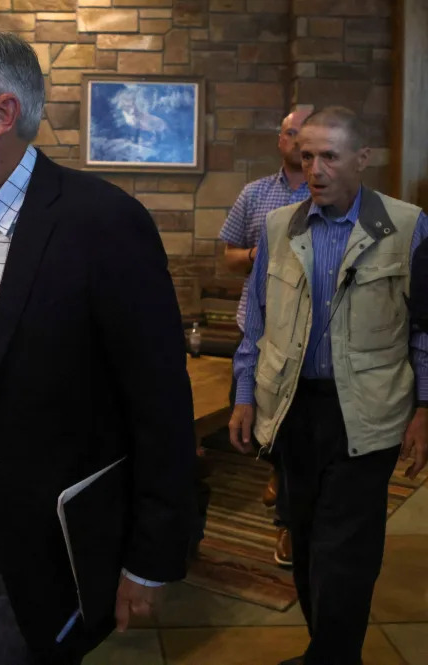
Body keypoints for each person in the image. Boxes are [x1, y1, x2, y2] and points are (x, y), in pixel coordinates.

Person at [0, 28, 197, 664]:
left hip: (60, 529)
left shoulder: (103, 223)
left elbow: (160, 405)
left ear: (1, 114)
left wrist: (151, 560)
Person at [229, 106, 428, 665]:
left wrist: (425, 408)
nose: (314, 168)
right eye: (307, 155)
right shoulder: (277, 227)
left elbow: (425, 328)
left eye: (330, 157)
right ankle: (330, 651)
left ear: (362, 160)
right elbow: (258, 321)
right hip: (293, 408)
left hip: (369, 410)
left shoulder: (407, 226)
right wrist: (245, 395)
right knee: (309, 534)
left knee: (346, 546)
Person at [219, 107, 313, 567]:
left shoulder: (325, 195)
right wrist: (259, 252)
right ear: (280, 140)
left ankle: (285, 499)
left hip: (307, 326)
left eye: (305, 136)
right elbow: (229, 255)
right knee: (264, 407)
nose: (297, 144)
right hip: (257, 320)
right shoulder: (255, 194)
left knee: (294, 416)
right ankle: (275, 463)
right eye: (291, 135)